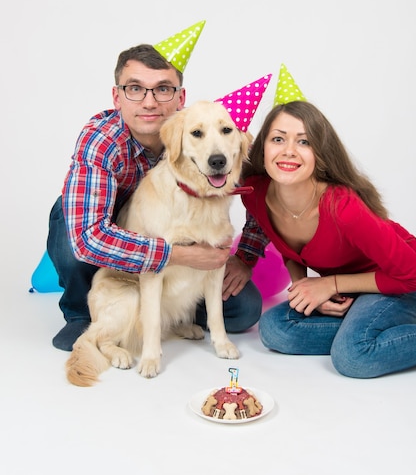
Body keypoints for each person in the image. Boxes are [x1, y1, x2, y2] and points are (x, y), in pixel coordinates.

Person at [48, 23, 262, 351]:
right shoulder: (101, 141)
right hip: (107, 235)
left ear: (180, 97)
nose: (149, 102)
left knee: (245, 309)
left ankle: (169, 315)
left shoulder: (202, 134)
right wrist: (181, 254)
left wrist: (243, 258)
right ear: (117, 96)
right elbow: (88, 238)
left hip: (176, 241)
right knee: (69, 220)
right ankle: (81, 311)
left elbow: (265, 194)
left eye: (163, 89)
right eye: (135, 88)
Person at [233, 70, 416, 379]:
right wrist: (304, 287)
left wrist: (329, 285)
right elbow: (290, 249)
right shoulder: (255, 193)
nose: (288, 150)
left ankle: (368, 335)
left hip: (400, 283)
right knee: (275, 329)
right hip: (351, 291)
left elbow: (412, 273)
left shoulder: (342, 207)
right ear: (262, 147)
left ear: (320, 154)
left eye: (303, 142)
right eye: (278, 139)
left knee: (353, 357)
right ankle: (372, 331)